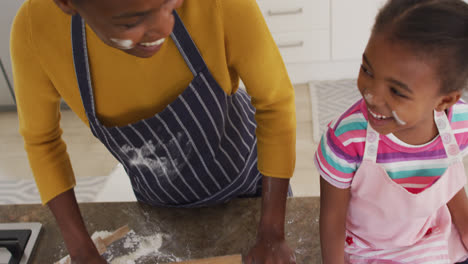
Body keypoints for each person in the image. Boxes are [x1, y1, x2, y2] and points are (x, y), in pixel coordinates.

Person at [10, 0, 297, 263]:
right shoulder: (36, 29)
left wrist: (272, 231)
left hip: (256, 192)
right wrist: (82, 249)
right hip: (161, 212)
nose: (164, 27)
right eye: (131, 21)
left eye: (170, 3)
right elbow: (42, 140)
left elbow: (275, 103)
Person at [314, 0, 468, 263]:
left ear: (444, 101)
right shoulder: (346, 139)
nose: (372, 95)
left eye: (396, 91)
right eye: (367, 70)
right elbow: (332, 219)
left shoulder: (460, 124)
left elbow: (449, 186)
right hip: (369, 251)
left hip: (432, 240)